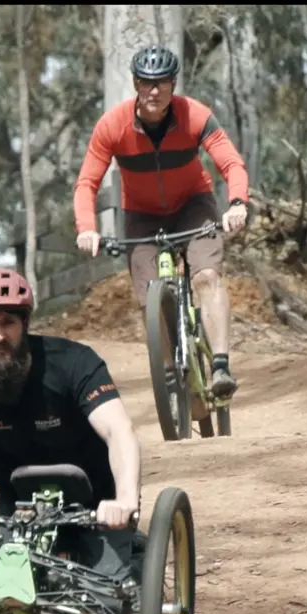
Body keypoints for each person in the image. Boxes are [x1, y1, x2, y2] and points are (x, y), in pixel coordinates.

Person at [0, 268, 145, 614]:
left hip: (98, 502)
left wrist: (126, 501)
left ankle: (136, 550)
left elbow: (119, 430)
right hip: (19, 505)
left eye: (9, 322)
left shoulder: (73, 362)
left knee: (108, 603)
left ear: (25, 324)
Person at [71, 44, 251, 400]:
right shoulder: (112, 126)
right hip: (141, 215)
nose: (154, 91)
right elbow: (87, 183)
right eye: (146, 83)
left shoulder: (195, 116)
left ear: (173, 84)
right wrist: (87, 228)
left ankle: (219, 367)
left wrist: (236, 204)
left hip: (192, 206)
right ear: (136, 84)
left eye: (162, 83)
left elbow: (230, 164)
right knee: (149, 295)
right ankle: (169, 373)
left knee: (206, 276)